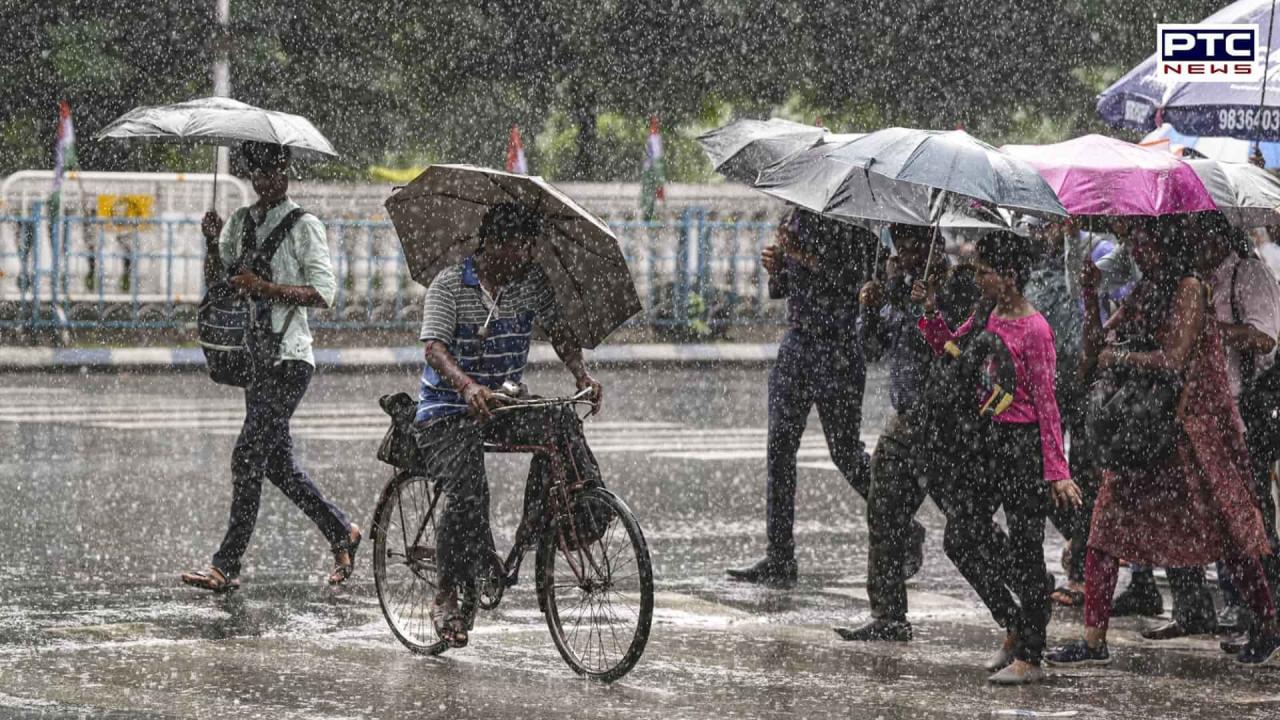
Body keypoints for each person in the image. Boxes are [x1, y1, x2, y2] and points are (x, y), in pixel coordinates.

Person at [1046, 217, 1280, 668]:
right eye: (1134, 240)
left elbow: (1173, 359)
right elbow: (1098, 345)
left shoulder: (1190, 287)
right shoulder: (1147, 288)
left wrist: (1122, 356)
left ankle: (1268, 625)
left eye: (1145, 239)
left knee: (1230, 533)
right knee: (1104, 531)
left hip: (1192, 435)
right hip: (1146, 434)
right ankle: (1094, 641)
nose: (1137, 248)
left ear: (1168, 240)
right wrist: (1090, 293)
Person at [412, 202, 603, 647]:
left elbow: (560, 332)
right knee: (468, 489)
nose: (528, 254)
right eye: (521, 245)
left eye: (530, 245)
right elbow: (435, 350)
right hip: (448, 409)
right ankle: (444, 594)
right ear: (496, 244)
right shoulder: (451, 284)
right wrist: (467, 387)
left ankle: (559, 517)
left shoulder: (530, 284)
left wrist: (581, 374)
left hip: (504, 404)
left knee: (560, 423)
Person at [181, 141, 359, 593]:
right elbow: (217, 282)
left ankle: (226, 565)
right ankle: (341, 532)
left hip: (290, 359)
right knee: (276, 465)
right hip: (254, 359)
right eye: (257, 172)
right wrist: (210, 242)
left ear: (286, 172)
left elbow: (323, 293)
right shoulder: (240, 222)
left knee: (247, 456)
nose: (264, 181)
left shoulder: (304, 226)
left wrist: (264, 287)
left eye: (272, 171)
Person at [916, 230, 1082, 685]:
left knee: (1028, 549)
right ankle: (1015, 617)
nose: (980, 279)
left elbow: (1049, 407)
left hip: (1023, 448)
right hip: (986, 443)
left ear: (1008, 277)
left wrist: (1057, 472)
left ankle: (1031, 653)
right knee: (962, 537)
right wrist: (930, 310)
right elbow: (951, 350)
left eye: (986, 271)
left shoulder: (1036, 330)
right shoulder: (985, 315)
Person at [727, 208, 907, 588]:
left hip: (838, 349)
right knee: (779, 448)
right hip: (797, 343)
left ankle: (902, 524)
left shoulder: (858, 230)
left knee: (844, 452)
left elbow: (856, 287)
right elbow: (783, 289)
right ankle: (779, 555)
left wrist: (802, 257)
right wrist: (777, 266)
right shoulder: (797, 218)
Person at [1140, 213, 1280, 641]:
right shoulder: (1194, 280)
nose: (1191, 239)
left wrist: (1208, 329)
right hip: (1193, 415)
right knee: (1187, 514)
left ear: (1215, 234)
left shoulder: (1248, 272)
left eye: (1198, 231)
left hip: (1239, 413)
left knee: (1244, 516)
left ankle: (1259, 610)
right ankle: (1195, 608)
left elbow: (1265, 339)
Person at [835, 226, 978, 641]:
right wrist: (871, 308)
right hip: (907, 420)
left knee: (968, 525)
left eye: (915, 243)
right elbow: (874, 349)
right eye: (901, 245)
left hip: (948, 422)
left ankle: (1024, 590)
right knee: (883, 510)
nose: (907, 253)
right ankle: (888, 614)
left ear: (934, 243)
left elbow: (961, 350)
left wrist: (932, 307)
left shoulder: (959, 287)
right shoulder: (896, 285)